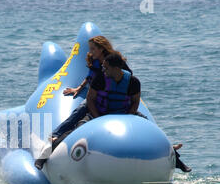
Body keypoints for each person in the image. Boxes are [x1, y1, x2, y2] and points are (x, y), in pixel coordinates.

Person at [35, 53, 191, 172]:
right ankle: (43, 157)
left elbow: (135, 102)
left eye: (106, 67)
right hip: (97, 113)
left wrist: (129, 118)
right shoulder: (100, 79)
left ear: (116, 68)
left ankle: (177, 161)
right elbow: (90, 100)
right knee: (73, 133)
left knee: (153, 131)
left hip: (124, 114)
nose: (103, 69)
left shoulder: (133, 82)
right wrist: (97, 118)